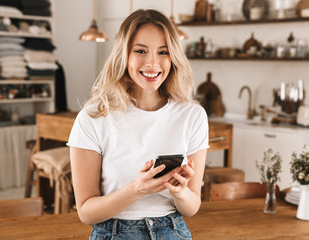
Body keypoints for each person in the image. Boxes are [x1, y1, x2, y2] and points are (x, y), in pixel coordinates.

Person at [67, 9, 209, 240]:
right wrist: (137, 190)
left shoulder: (192, 116)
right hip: (113, 232)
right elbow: (86, 212)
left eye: (163, 52)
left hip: (172, 231)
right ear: (124, 55)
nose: (152, 63)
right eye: (140, 51)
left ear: (173, 57)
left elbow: (192, 207)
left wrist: (180, 191)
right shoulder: (93, 117)